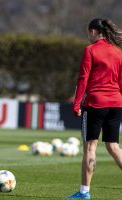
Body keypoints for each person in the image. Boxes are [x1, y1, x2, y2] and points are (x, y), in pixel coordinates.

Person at [68, 18, 122, 199]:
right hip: (116, 103)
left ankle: (84, 192)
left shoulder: (90, 50)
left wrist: (76, 104)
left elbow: (83, 79)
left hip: (96, 103)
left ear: (93, 31)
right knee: (113, 146)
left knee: (90, 147)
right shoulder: (118, 52)